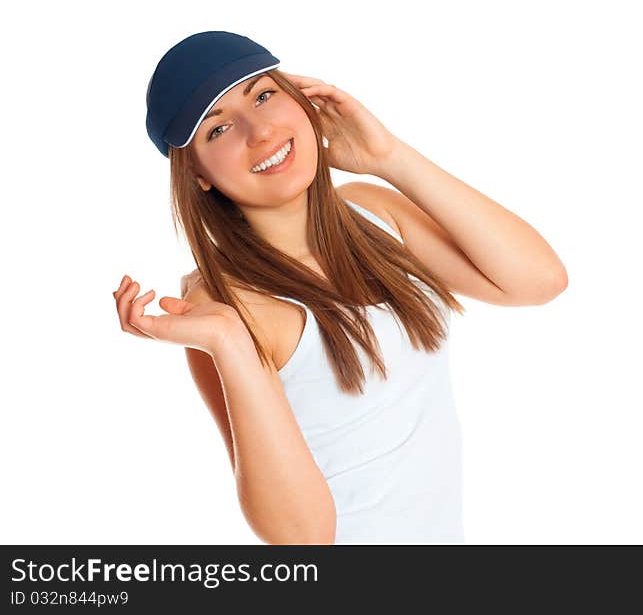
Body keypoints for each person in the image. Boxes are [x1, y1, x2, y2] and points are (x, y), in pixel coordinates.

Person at [113, 31, 568, 545]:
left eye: (263, 95)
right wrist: (228, 342)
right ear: (196, 174)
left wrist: (388, 156)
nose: (259, 131)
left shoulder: (374, 214)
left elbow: (539, 280)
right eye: (218, 130)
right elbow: (303, 538)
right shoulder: (227, 310)